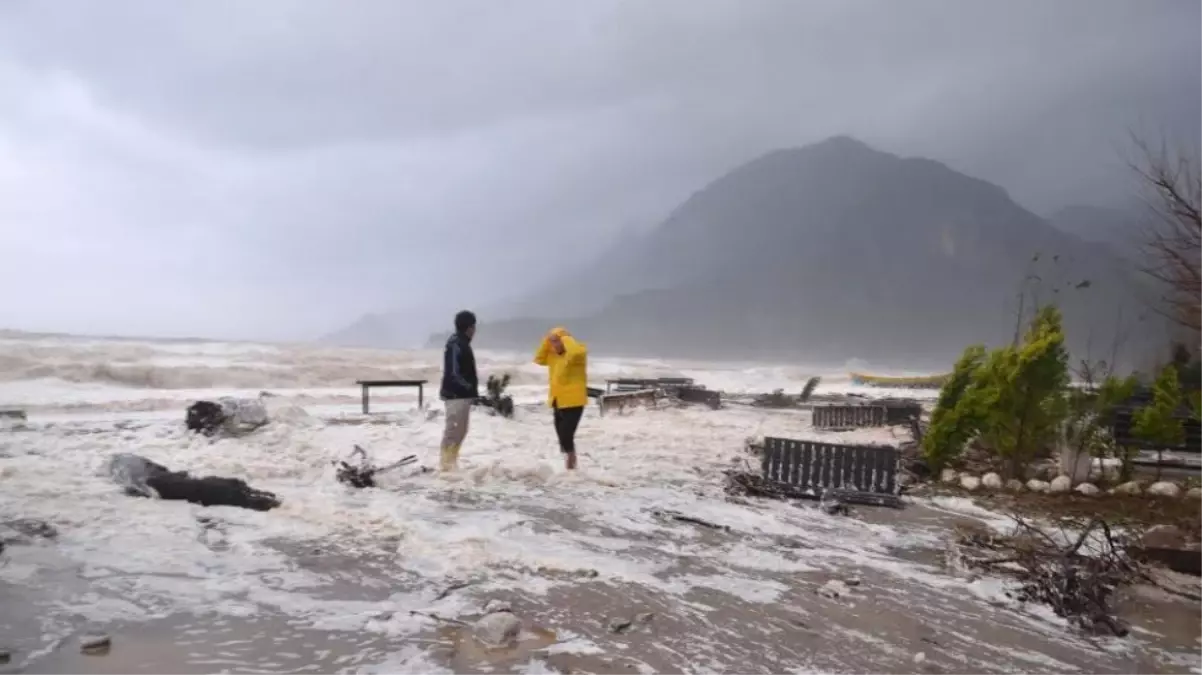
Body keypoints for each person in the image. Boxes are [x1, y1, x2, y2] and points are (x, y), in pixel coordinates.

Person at [534, 326, 588, 470]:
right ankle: (571, 467)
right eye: (552, 342)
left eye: (557, 341)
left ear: (565, 341)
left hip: (574, 402)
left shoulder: (578, 354)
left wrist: (564, 338)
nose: (554, 345)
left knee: (566, 435)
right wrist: (548, 340)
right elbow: (538, 358)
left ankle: (571, 469)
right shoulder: (552, 356)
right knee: (562, 439)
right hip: (558, 400)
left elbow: (575, 351)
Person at [439, 310, 479, 472]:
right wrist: (468, 387)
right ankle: (445, 466)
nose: (474, 330)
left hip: (461, 395)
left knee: (460, 430)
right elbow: (454, 373)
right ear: (469, 327)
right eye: (473, 326)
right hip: (455, 395)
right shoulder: (456, 344)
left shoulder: (461, 342)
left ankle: (451, 463)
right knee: (453, 431)